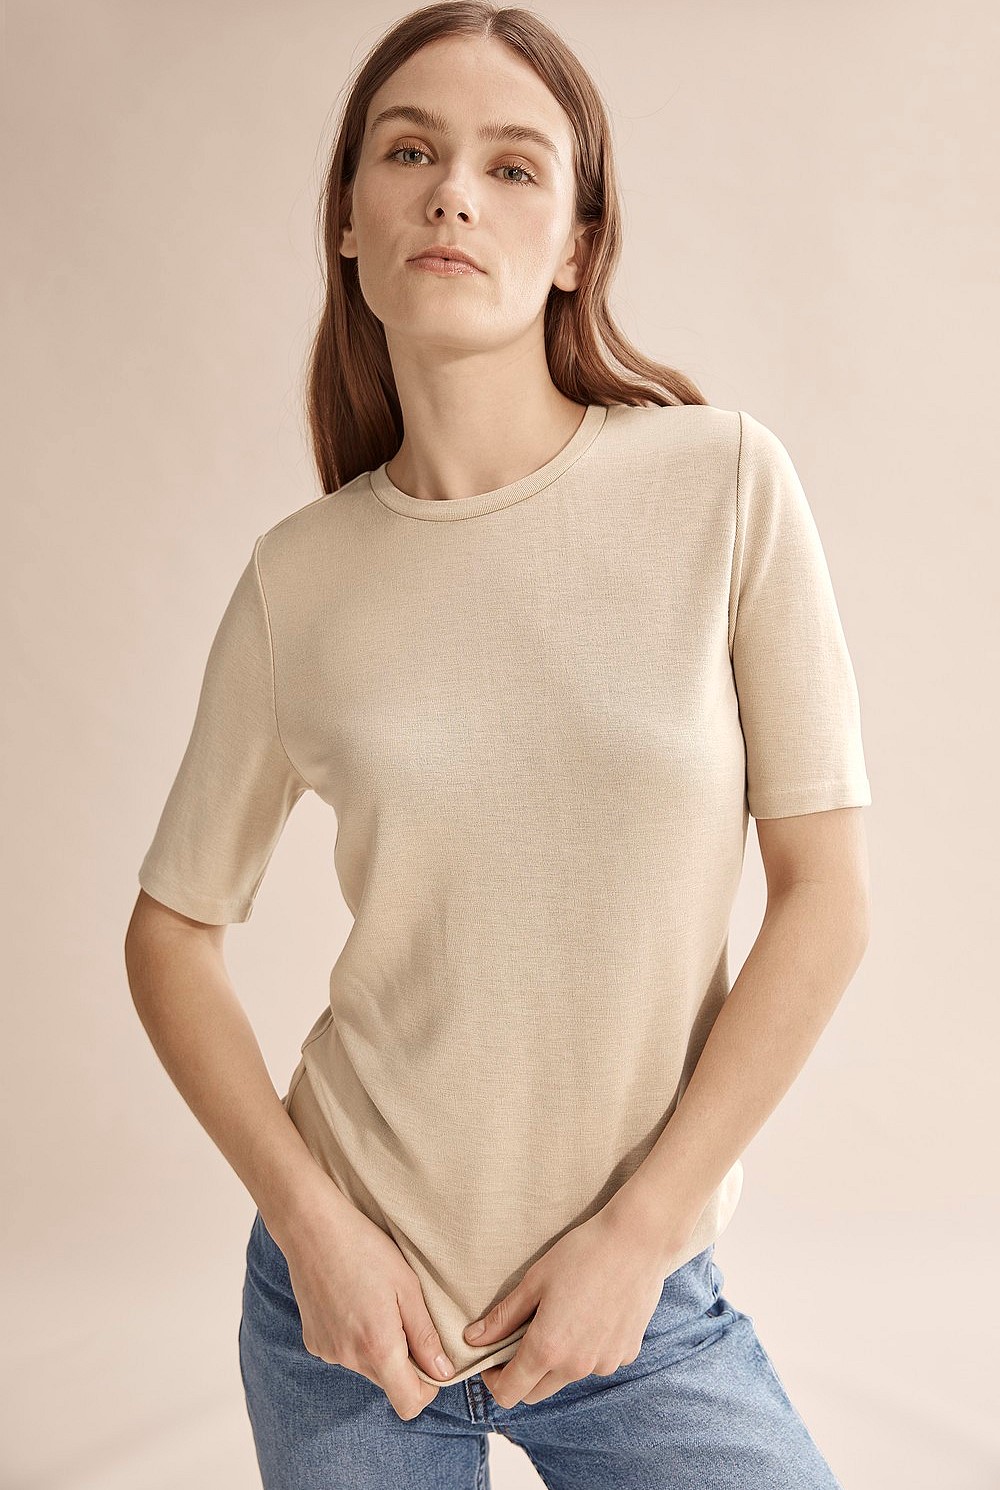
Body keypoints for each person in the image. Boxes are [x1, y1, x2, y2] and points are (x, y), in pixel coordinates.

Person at [123, 3, 873, 1485]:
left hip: (638, 1309)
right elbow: (171, 932)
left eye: (513, 165)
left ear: (582, 243)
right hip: (351, 1323)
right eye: (409, 153)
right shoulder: (298, 580)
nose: (454, 194)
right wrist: (313, 1228)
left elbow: (827, 900)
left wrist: (639, 1239)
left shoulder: (723, 484)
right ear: (350, 220)